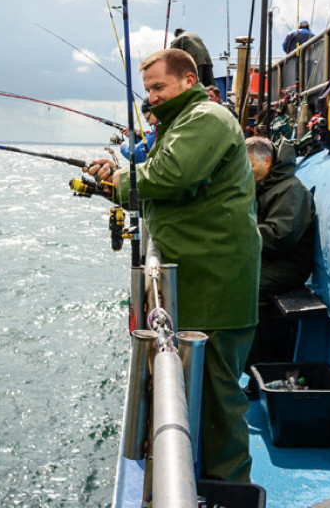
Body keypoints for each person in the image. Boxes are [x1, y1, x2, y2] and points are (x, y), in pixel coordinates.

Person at [86, 48, 261, 483]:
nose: (153, 98)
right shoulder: (182, 122)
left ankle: (228, 492)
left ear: (188, 80)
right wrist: (119, 178)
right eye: (148, 90)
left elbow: (169, 177)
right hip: (203, 282)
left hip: (216, 286)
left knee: (221, 403)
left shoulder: (206, 119)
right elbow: (160, 169)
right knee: (203, 397)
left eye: (159, 87)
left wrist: (116, 182)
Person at [243, 136, 316, 395]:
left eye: (250, 168)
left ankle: (261, 370)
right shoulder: (266, 185)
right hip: (269, 260)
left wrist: (241, 233)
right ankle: (248, 366)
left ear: (268, 162)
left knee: (247, 289)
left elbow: (280, 237)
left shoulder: (290, 190)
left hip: (287, 265)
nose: (245, 174)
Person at [119, 98, 157, 164]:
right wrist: (137, 135)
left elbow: (136, 155)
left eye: (148, 118)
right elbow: (151, 142)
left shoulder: (161, 127)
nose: (149, 123)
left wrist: (123, 145)